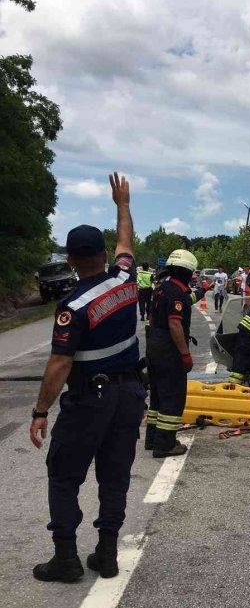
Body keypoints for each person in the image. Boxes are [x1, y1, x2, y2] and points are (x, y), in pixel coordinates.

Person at [29, 172, 145, 583]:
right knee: (115, 476)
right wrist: (123, 205)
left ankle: (65, 559)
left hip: (89, 401)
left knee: (64, 476)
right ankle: (107, 554)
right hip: (129, 394)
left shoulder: (73, 304)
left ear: (71, 259)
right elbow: (126, 243)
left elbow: (60, 364)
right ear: (102, 253)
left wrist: (40, 410)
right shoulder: (125, 278)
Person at [145, 249, 203, 458]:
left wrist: (202, 292)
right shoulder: (176, 293)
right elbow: (175, 325)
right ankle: (165, 444)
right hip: (169, 352)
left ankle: (152, 439)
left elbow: (153, 317)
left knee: (158, 397)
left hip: (154, 347)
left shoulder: (162, 289)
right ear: (186, 272)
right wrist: (185, 354)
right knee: (173, 398)